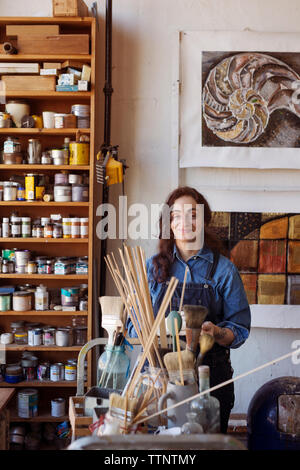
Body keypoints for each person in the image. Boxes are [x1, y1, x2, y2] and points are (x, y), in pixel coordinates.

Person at [128, 186, 251, 433]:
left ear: (204, 221)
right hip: (159, 377)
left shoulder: (224, 271)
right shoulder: (152, 270)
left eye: (193, 214)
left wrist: (215, 331)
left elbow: (240, 330)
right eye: (177, 215)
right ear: (169, 224)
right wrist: (155, 329)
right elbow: (132, 328)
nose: (185, 221)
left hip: (210, 378)